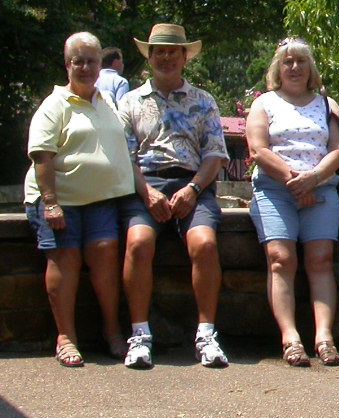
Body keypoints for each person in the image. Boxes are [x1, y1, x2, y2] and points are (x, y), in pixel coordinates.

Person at [118, 23, 229, 369]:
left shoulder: (203, 101)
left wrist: (193, 189)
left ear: (184, 57)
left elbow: (215, 155)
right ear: (150, 57)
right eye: (159, 52)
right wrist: (147, 192)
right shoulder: (130, 101)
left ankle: (206, 335)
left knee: (205, 244)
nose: (166, 58)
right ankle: (139, 336)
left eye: (172, 52)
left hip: (192, 184)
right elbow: (124, 157)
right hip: (145, 184)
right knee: (138, 243)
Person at [24, 33, 136, 366]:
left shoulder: (107, 101)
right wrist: (50, 202)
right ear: (67, 65)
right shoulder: (54, 105)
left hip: (101, 200)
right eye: (78, 61)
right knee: (65, 258)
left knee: (105, 255)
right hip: (60, 200)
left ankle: (112, 331)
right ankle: (66, 338)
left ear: (100, 65)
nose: (85, 67)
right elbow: (42, 157)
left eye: (91, 61)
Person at [245, 38, 339, 367]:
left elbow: (338, 150)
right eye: (287, 61)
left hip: (320, 189)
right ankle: (290, 338)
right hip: (275, 189)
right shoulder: (264, 104)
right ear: (278, 68)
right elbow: (258, 149)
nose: (294, 67)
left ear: (310, 67)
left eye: (301, 61)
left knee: (321, 259)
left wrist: (312, 179)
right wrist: (295, 181)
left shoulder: (327, 105)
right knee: (281, 258)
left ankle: (324, 337)